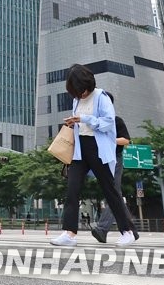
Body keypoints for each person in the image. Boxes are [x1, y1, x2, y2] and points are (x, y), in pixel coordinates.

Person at [50, 65, 139, 247]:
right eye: (76, 91)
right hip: (79, 149)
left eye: (82, 90)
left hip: (97, 147)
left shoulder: (101, 97)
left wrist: (84, 119)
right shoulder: (76, 100)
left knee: (110, 189)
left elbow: (108, 123)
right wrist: (73, 122)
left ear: (88, 84)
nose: (80, 94)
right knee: (72, 189)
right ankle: (69, 233)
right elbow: (80, 122)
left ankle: (127, 232)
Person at [91, 91, 134, 243]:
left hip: (115, 159)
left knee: (113, 193)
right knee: (115, 193)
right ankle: (132, 230)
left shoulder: (116, 121)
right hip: (101, 160)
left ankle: (102, 229)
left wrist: (109, 140)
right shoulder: (95, 122)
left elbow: (126, 140)